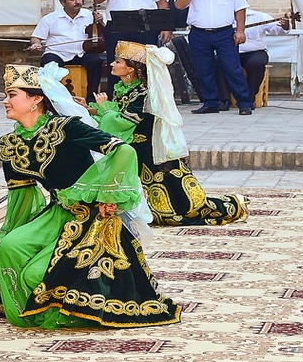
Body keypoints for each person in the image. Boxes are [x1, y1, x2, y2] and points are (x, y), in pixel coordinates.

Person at [0, 63, 181, 330]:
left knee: (35, 273)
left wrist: (108, 197)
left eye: (11, 94)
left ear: (36, 99)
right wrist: (18, 230)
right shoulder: (11, 144)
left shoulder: (67, 127)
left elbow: (123, 151)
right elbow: (21, 195)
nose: (5, 101)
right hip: (57, 214)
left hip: (93, 218)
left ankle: (59, 311)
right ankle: (26, 311)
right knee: (9, 248)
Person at [84, 41, 249, 225]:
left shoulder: (144, 93)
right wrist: (92, 110)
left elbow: (123, 121)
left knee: (179, 207)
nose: (112, 64)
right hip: (134, 147)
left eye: (118, 62)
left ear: (131, 69)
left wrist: (104, 108)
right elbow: (117, 112)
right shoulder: (126, 89)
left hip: (148, 149)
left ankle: (233, 204)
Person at [173, 0, 253, 115]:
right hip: (199, 33)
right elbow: (179, 5)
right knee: (204, 69)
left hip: (225, 33)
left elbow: (240, 9)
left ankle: (244, 103)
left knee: (232, 68)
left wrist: (240, 30)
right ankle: (210, 103)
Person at [92, 0, 172, 97]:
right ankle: (116, 99)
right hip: (116, 27)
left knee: (144, 65)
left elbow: (162, 4)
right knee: (117, 64)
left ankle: (146, 98)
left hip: (145, 27)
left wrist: (166, 27)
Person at [216, 0, 291, 110]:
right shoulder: (219, 18)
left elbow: (278, 30)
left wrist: (285, 24)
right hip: (229, 51)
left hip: (254, 52)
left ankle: (248, 99)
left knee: (257, 63)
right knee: (218, 61)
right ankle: (223, 100)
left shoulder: (259, 16)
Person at [27, 0, 102, 101]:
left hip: (81, 53)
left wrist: (101, 22)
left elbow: (101, 32)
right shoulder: (50, 18)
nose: (77, 2)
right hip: (57, 53)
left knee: (96, 61)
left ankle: (91, 99)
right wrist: (36, 44)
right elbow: (36, 37)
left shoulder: (90, 15)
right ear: (62, 2)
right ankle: (50, 99)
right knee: (48, 65)